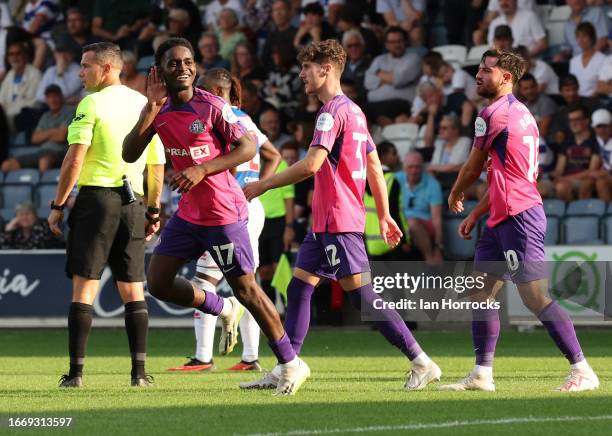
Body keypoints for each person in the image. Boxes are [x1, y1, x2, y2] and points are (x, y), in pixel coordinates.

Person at [242, 39, 440, 393]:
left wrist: (263, 185)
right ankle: (287, 365)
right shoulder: (356, 111)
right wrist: (384, 214)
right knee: (299, 286)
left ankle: (421, 361)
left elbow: (312, 164)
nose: (302, 74)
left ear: (327, 69)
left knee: (361, 295)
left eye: (307, 67)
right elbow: (375, 165)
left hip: (337, 219)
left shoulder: (331, 112)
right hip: (326, 221)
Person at [122, 37, 307, 396]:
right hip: (190, 216)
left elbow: (249, 147)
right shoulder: (157, 110)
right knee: (158, 283)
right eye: (174, 63)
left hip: (223, 213)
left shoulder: (211, 106)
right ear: (158, 71)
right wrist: (148, 109)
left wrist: (202, 169)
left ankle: (290, 364)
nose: (185, 68)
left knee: (248, 289)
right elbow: (130, 154)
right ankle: (222, 309)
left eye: (189, 61)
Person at [443, 49, 599, 392]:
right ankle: (482, 374)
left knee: (535, 298)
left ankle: (582, 369)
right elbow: (508, 176)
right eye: (479, 70)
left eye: (486, 70)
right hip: (502, 217)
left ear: (507, 77)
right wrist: (477, 212)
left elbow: (472, 167)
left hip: (519, 217)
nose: (479, 75)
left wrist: (456, 193)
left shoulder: (491, 113)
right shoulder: (522, 113)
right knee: (480, 292)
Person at [47, 43, 166, 388]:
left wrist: (57, 205)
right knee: (134, 290)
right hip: (134, 204)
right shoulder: (145, 106)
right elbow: (156, 165)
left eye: (86, 66)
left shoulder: (91, 103)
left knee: (84, 290)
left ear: (108, 69)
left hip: (96, 202)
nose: (81, 72)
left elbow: (74, 158)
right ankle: (139, 374)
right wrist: (154, 209)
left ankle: (76, 374)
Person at [167, 68, 282, 372]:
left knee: (205, 281)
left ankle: (203, 357)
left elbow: (229, 162)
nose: (198, 94)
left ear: (217, 92)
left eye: (203, 89)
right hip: (248, 206)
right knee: (246, 283)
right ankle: (251, 357)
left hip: (225, 210)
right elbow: (273, 155)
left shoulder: (215, 117)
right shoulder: (245, 119)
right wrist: (257, 187)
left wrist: (234, 188)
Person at [1, 85, 74, 173]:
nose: (52, 100)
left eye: (55, 96)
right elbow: (35, 138)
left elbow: (61, 136)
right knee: (7, 165)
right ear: (46, 100)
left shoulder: (71, 111)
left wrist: (45, 134)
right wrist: (53, 132)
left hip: (61, 153)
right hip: (41, 152)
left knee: (44, 161)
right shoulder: (45, 115)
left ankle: (43, 185)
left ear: (61, 97)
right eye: (49, 97)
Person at [395, 152, 444, 263]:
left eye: (417, 167)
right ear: (404, 167)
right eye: (410, 167)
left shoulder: (433, 184)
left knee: (412, 223)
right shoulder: (396, 179)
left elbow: (437, 219)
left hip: (424, 223)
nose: (414, 171)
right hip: (401, 222)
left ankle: (430, 259)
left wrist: (438, 247)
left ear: (422, 167)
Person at [552, 104, 601, 202]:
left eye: (577, 120)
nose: (573, 123)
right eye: (570, 120)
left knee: (561, 187)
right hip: (564, 180)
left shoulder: (595, 142)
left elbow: (591, 171)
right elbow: (559, 168)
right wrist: (556, 176)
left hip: (582, 180)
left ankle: (574, 214)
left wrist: (566, 179)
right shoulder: (566, 143)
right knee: (539, 189)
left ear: (586, 121)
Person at [569, 22, 607, 98]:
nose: (581, 40)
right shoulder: (573, 61)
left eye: (584, 36)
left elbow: (604, 86)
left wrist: (590, 99)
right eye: (578, 37)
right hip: (576, 101)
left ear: (592, 37)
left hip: (596, 101)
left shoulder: (603, 60)